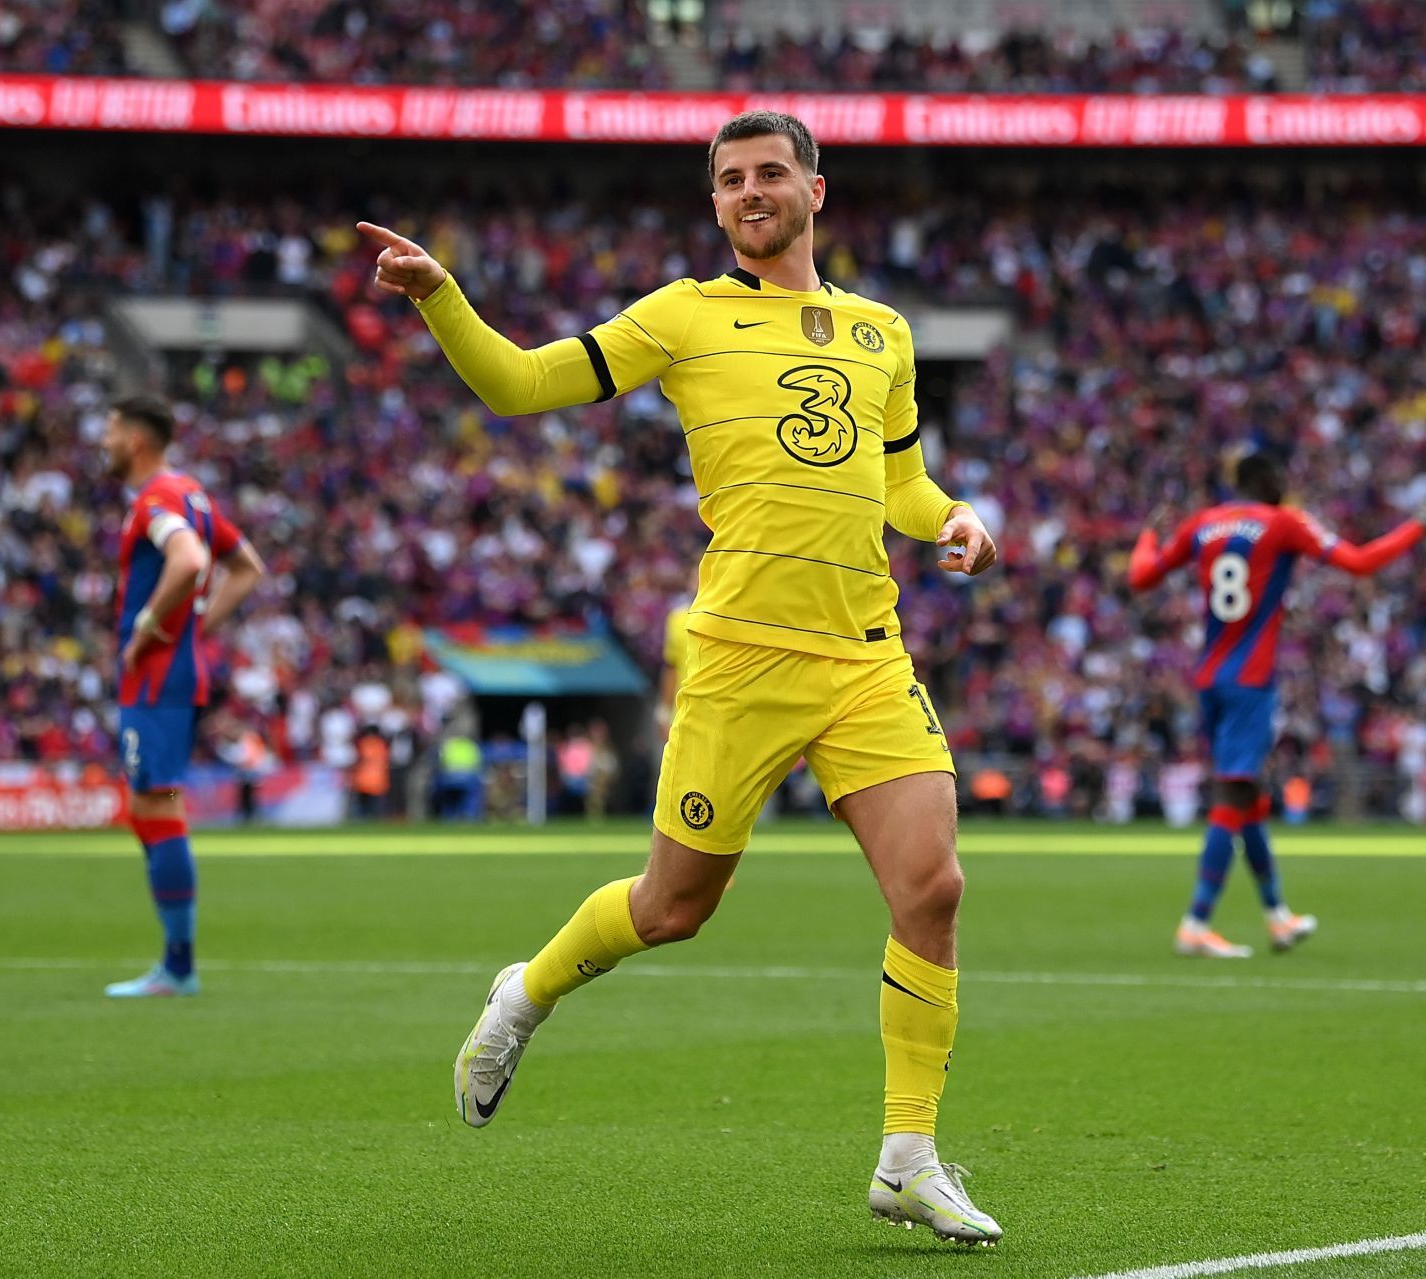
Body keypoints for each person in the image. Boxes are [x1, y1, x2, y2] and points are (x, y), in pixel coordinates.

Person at [358, 110, 1003, 1246]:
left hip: (864, 654)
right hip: (742, 660)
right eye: (730, 180)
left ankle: (908, 1156)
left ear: (816, 187)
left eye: (770, 173)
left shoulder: (882, 333)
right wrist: (440, 298)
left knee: (934, 888)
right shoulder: (681, 315)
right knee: (672, 908)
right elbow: (518, 385)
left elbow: (901, 484)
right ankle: (527, 990)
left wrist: (954, 516)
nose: (750, 191)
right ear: (715, 205)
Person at [1127, 451, 1426, 959]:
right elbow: (1359, 562)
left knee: (1249, 799)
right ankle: (1196, 923)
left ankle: (1276, 916)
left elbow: (1141, 578)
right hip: (1251, 681)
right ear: (1271, 483)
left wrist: (1146, 536)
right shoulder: (1282, 523)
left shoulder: (1202, 525)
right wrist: (1416, 528)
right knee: (1231, 798)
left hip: (1209, 677)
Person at [102, 396, 266, 998]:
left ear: (136, 440)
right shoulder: (191, 493)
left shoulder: (156, 499)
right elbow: (247, 567)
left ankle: (178, 966)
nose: (105, 440)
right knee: (146, 805)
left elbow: (191, 558)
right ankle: (174, 963)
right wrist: (200, 624)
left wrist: (151, 624)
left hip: (156, 677)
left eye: (112, 429)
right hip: (171, 674)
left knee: (157, 806)